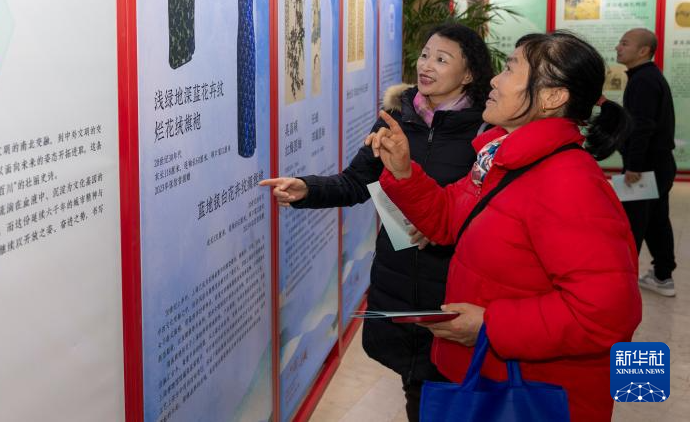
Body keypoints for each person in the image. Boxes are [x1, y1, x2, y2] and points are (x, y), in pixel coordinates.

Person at [366, 30, 642, 422]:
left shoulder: (570, 182)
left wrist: (490, 325)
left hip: (532, 394)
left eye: (511, 69)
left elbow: (606, 313)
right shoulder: (502, 157)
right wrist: (404, 172)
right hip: (484, 377)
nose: (494, 80)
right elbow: (448, 219)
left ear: (551, 97)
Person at [261, 23, 494, 422]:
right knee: (417, 390)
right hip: (398, 281)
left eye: (442, 59)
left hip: (455, 287)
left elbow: (494, 207)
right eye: (425, 55)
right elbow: (356, 181)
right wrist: (307, 188)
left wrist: (447, 223)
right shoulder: (396, 117)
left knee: (457, 392)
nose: (427, 65)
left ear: (469, 73)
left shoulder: (486, 130)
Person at [615, 27, 677, 296]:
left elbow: (642, 127)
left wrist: (634, 166)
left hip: (644, 168)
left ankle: (624, 282)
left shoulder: (643, 81)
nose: (618, 47)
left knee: (633, 224)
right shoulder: (646, 77)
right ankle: (663, 276)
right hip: (656, 165)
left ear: (643, 51)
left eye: (625, 43)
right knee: (655, 220)